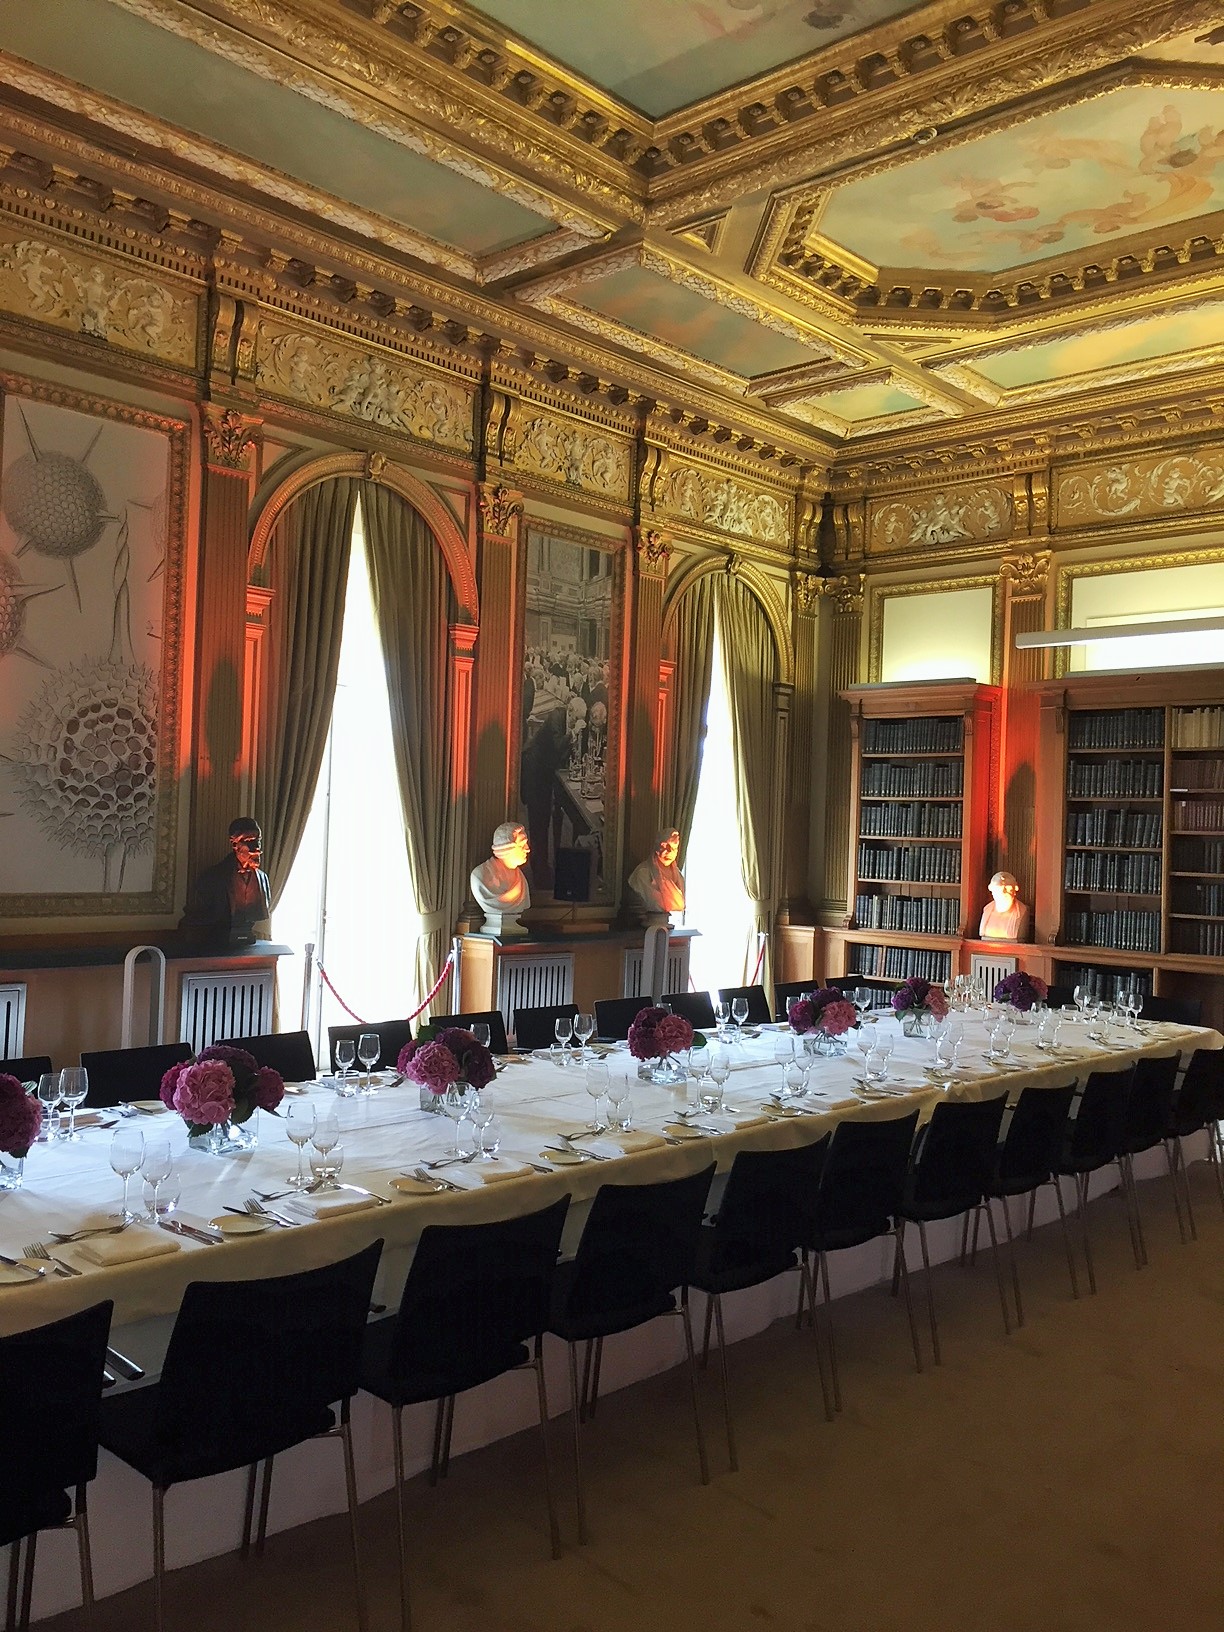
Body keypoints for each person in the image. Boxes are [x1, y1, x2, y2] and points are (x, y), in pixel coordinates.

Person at [180, 817, 272, 945]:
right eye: (249, 841)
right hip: (219, 943)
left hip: (247, 940)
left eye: (258, 840)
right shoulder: (211, 878)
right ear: (235, 845)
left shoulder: (264, 879)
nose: (257, 848)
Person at [470, 822, 531, 936]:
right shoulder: (480, 876)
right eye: (522, 845)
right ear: (507, 846)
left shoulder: (521, 879)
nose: (527, 849)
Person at [628, 826, 686, 918]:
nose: (670, 851)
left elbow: (680, 905)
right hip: (649, 923)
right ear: (656, 846)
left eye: (674, 848)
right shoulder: (642, 873)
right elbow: (654, 904)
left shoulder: (679, 876)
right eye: (665, 846)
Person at [979, 870, 1030, 941]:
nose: (1003, 892)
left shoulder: (1022, 911)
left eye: (1007, 888)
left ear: (1015, 890)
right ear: (992, 891)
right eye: (998, 888)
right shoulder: (987, 910)